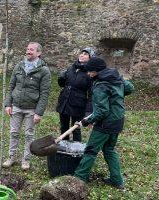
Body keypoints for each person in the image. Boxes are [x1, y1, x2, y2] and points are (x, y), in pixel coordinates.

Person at [74, 57, 134, 190]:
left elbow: (102, 111)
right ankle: (116, 180)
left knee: (90, 150)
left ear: (96, 71)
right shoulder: (115, 77)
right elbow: (130, 88)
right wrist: (117, 92)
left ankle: (78, 179)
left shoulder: (100, 85)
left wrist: (85, 121)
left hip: (105, 123)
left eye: (90, 71)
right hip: (118, 120)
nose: (88, 74)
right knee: (109, 150)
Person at [3, 42, 51, 170]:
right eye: (28, 49)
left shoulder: (44, 70)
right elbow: (11, 86)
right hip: (16, 106)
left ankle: (26, 159)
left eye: (32, 50)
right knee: (14, 133)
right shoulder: (19, 66)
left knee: (29, 135)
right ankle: (11, 157)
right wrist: (8, 104)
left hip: (32, 108)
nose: (28, 51)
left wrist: (39, 112)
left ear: (39, 53)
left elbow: (45, 93)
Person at [56, 47, 94, 142]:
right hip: (65, 101)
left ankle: (77, 151)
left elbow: (91, 94)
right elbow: (63, 85)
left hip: (78, 105)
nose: (82, 55)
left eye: (86, 54)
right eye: (81, 53)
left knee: (76, 128)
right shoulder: (71, 68)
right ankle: (63, 148)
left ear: (90, 58)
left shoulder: (90, 72)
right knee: (63, 127)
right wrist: (61, 78)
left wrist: (88, 112)